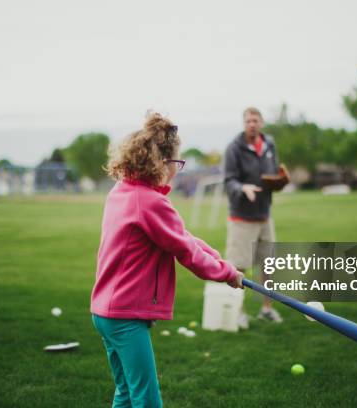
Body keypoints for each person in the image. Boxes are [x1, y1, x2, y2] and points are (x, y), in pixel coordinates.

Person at [90, 112, 244, 408]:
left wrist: (219, 259)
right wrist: (226, 274)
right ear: (161, 163)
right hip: (125, 315)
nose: (178, 170)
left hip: (105, 311)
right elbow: (186, 252)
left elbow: (182, 237)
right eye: (178, 163)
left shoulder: (123, 192)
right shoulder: (150, 202)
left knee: (126, 393)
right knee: (147, 399)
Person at [223, 106, 283, 327]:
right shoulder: (234, 148)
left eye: (256, 120)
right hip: (241, 218)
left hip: (265, 216)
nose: (252, 124)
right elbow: (228, 180)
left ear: (262, 123)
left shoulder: (269, 145)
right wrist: (243, 188)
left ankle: (267, 310)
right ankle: (238, 312)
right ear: (243, 123)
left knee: (269, 266)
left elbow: (272, 172)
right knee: (239, 268)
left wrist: (279, 181)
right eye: (248, 121)